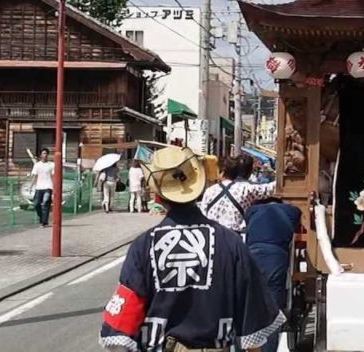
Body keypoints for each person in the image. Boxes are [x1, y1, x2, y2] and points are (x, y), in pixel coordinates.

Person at [99, 147, 284, 351]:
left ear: (158, 196)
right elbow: (253, 324)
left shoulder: (144, 245)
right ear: (197, 187)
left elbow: (123, 323)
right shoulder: (232, 244)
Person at [244, 198, 302, 352]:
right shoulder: (290, 211)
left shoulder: (253, 212)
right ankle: (268, 348)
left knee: (247, 306)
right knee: (272, 307)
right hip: (276, 257)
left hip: (250, 256)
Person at [199, 155, 275, 235]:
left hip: (213, 236)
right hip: (234, 237)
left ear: (222, 172)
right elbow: (268, 189)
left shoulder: (210, 191)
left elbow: (202, 215)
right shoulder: (245, 189)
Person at [30, 148, 55, 227]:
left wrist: (54, 187)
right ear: (41, 155)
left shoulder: (51, 165)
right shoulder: (37, 165)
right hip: (39, 187)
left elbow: (53, 176)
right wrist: (31, 185)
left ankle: (44, 221)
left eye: (46, 153)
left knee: (45, 203)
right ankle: (41, 217)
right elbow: (35, 176)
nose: (45, 155)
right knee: (36, 204)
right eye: (43, 153)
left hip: (48, 186)